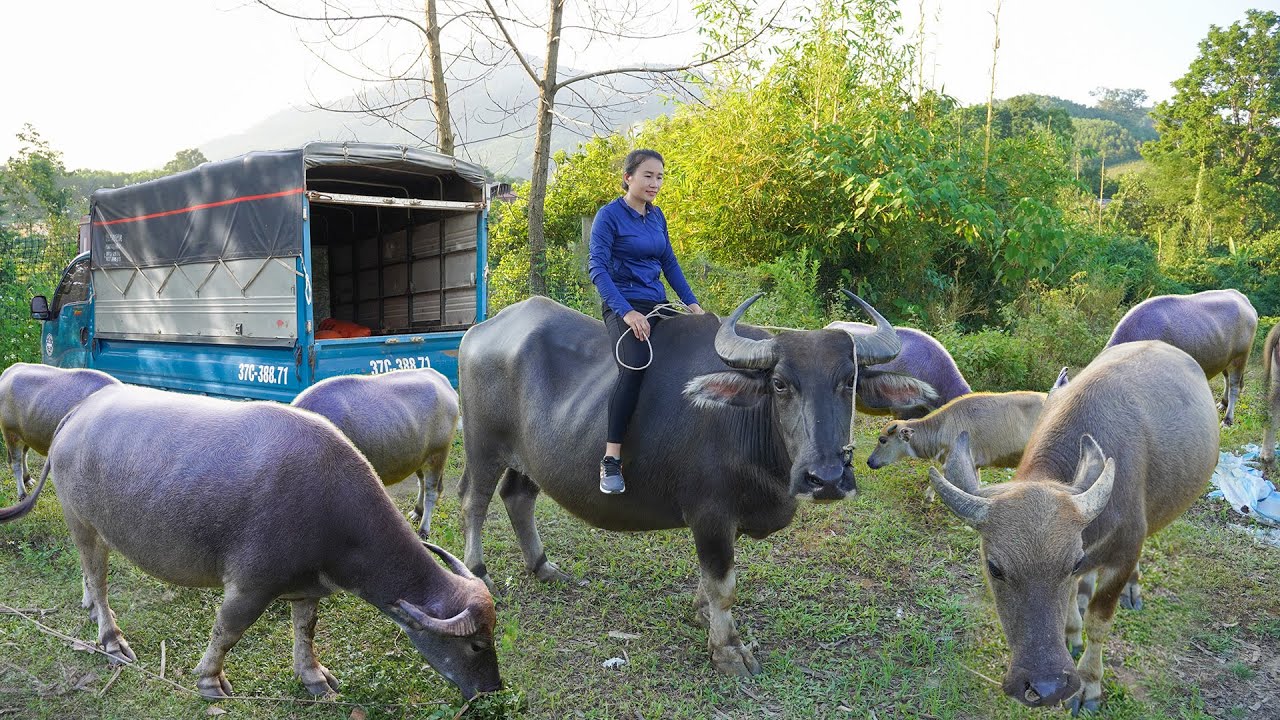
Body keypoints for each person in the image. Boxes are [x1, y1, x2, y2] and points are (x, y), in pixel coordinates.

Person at [588, 149, 704, 494]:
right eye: (648, 176)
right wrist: (627, 312)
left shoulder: (657, 217)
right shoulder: (609, 216)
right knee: (636, 365)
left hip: (656, 304)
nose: (655, 183)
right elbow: (597, 269)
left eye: (660, 177)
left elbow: (669, 264)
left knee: (698, 350)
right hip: (622, 304)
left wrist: (694, 305)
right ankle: (611, 458)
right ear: (629, 178)